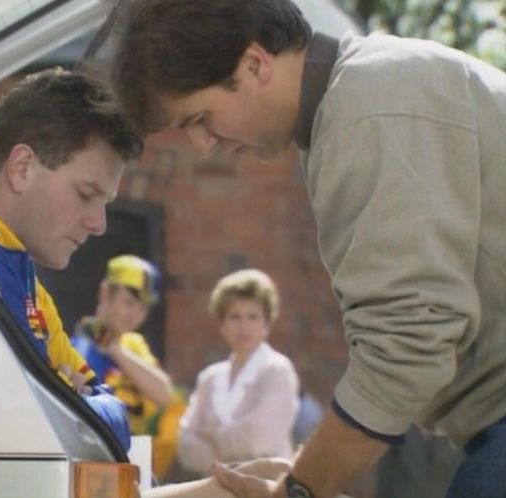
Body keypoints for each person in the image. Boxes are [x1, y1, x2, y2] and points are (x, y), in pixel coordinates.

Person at [109, 1, 506, 496]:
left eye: (201, 118)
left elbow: (407, 343)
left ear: (254, 63)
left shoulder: (370, 106)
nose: (202, 145)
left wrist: (300, 487)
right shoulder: (357, 99)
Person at [0, 68, 142, 452]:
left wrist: (68, 398)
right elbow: (39, 427)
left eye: (104, 203)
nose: (99, 224)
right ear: (22, 168)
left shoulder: (26, 283)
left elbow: (112, 417)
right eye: (86, 194)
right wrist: (70, 397)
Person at [71, 254, 184, 480]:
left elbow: (164, 394)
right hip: (96, 462)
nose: (135, 315)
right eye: (129, 303)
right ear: (105, 293)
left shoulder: (134, 345)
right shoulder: (77, 348)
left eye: (143, 308)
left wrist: (115, 350)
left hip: (135, 459)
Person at [177, 269, 299, 476]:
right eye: (235, 317)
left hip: (267, 486)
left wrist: (213, 435)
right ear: (222, 324)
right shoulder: (209, 378)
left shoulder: (277, 370)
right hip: (216, 487)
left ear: (266, 323)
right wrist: (231, 458)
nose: (244, 327)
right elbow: (185, 444)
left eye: (253, 317)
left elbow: (261, 436)